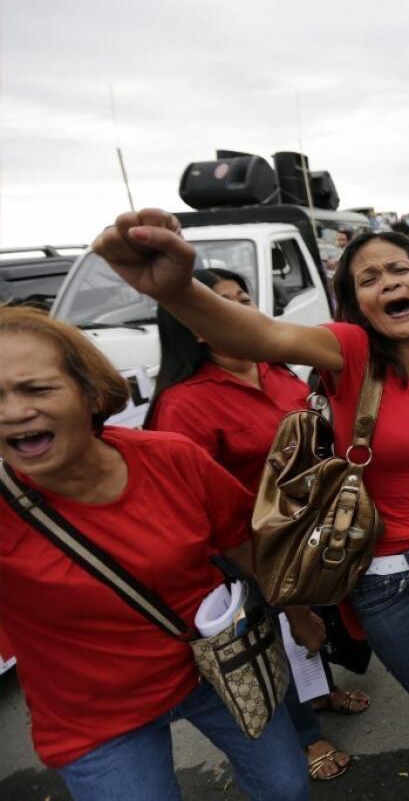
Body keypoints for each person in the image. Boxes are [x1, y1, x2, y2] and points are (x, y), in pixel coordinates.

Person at [90, 209, 409, 801]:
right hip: (388, 583)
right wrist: (176, 288)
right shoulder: (352, 353)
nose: (389, 282)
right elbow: (260, 334)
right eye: (369, 278)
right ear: (356, 305)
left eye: (400, 269)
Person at [0, 307, 309, 801]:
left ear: (90, 392)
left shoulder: (171, 457)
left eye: (36, 389)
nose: (13, 411)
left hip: (217, 669)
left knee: (287, 788)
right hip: (94, 721)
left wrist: (297, 610)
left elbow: (241, 543)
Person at [145, 268, 369, 782]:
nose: (244, 309)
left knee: (318, 625)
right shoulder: (184, 404)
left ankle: (325, 692)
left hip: (311, 532)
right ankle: (305, 735)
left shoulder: (278, 370)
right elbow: (195, 505)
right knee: (276, 639)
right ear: (199, 323)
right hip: (246, 549)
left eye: (245, 299)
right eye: (225, 302)